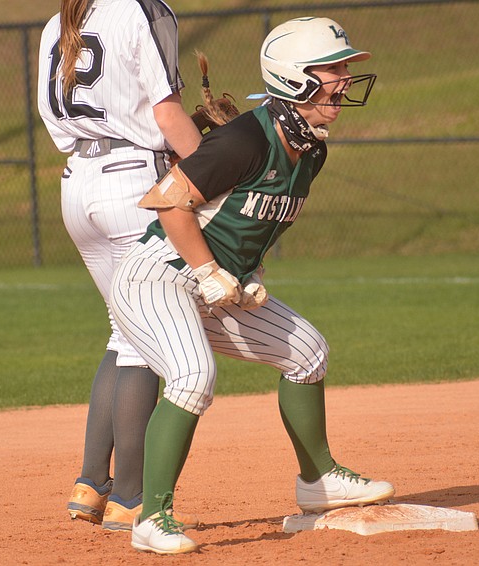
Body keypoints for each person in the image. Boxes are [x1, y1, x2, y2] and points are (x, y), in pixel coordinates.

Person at [108, 17, 394, 555]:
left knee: (308, 350)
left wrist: (247, 275)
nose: (343, 81)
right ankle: (152, 517)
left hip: (212, 284)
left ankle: (318, 480)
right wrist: (208, 272)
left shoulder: (311, 149)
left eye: (343, 70)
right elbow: (168, 202)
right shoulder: (245, 136)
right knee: (193, 376)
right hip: (157, 275)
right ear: (293, 77)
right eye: (332, 69)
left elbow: (249, 222)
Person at [36, 0, 202, 531]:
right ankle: (130, 497)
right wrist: (217, 174)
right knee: (146, 339)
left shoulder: (59, 21)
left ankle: (91, 483)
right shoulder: (144, 9)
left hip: (77, 180)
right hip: (133, 178)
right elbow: (167, 113)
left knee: (122, 331)